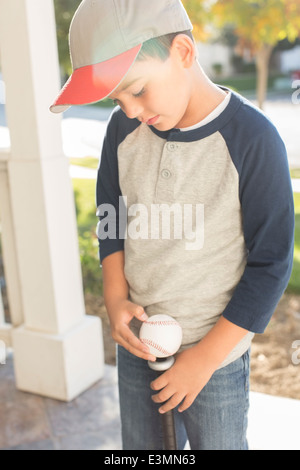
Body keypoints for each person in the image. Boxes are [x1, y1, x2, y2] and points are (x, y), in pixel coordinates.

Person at [50, 0, 295, 450]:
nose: (128, 110)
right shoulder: (123, 132)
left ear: (183, 52)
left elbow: (272, 264)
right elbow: (111, 219)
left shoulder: (253, 141)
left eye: (138, 90)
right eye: (116, 99)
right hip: (139, 345)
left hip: (214, 358)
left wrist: (203, 359)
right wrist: (115, 298)